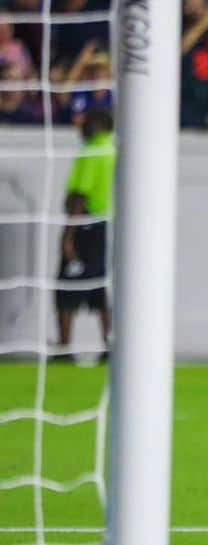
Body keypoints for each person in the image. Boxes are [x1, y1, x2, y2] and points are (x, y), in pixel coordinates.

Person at [55, 109, 114, 360]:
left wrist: (68, 236)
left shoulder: (92, 151)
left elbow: (80, 195)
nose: (80, 124)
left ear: (96, 123)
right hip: (102, 227)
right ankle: (109, 347)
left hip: (84, 227)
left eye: (85, 120)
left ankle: (64, 349)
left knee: (66, 288)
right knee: (99, 289)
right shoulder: (112, 150)